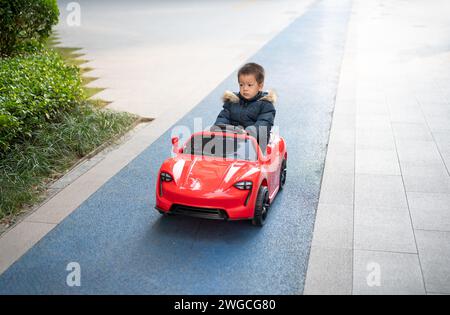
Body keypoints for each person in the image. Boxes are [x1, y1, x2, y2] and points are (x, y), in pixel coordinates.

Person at [213, 62, 276, 151]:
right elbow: (224, 116)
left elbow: (264, 124)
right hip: (232, 141)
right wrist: (219, 126)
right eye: (241, 84)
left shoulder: (266, 105)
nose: (245, 88)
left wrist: (249, 132)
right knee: (213, 145)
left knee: (248, 148)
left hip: (254, 145)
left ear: (260, 86)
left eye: (250, 85)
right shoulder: (232, 101)